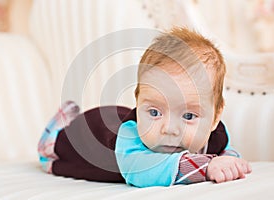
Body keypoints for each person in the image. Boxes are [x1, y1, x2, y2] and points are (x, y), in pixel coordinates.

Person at [38, 27, 252, 187]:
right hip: (89, 131)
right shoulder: (129, 139)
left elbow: (225, 152)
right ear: (138, 102)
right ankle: (63, 119)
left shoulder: (216, 132)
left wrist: (229, 161)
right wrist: (206, 167)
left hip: (114, 116)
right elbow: (140, 171)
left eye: (188, 115)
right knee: (51, 147)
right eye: (154, 112)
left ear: (215, 117)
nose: (169, 129)